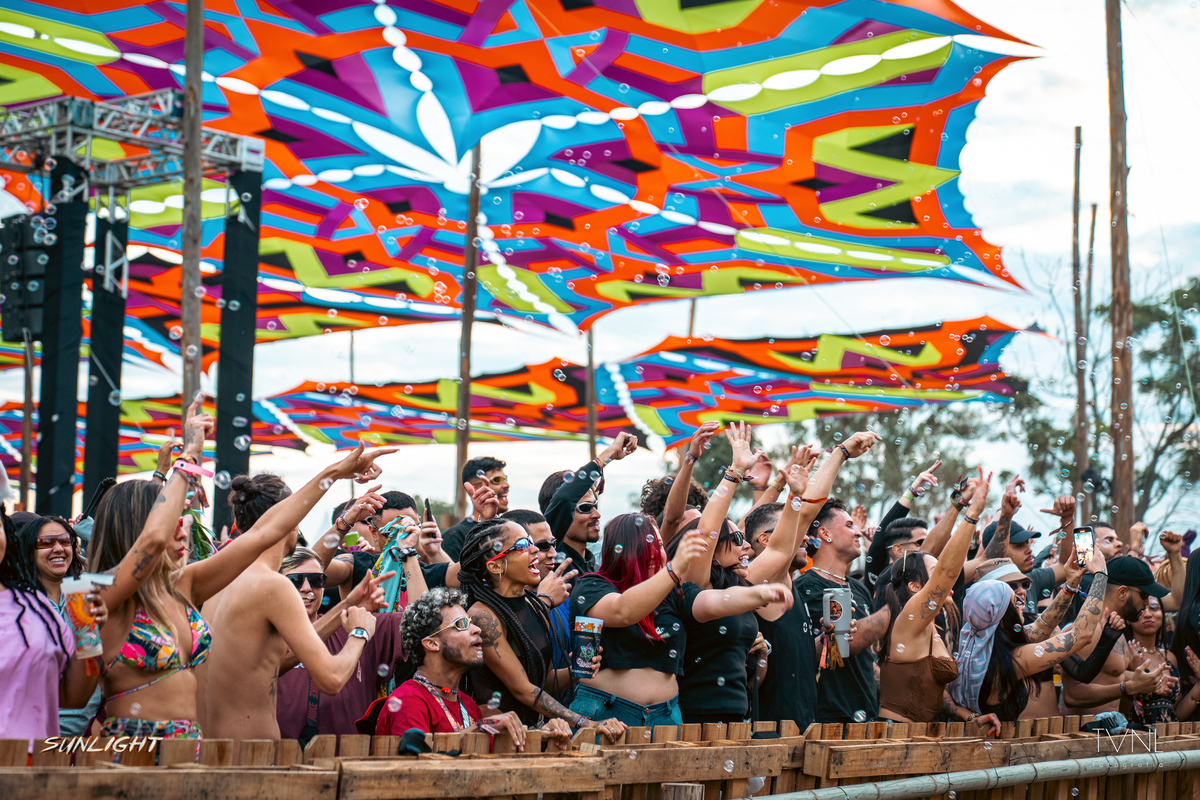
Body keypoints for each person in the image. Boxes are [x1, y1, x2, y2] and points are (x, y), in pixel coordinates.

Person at [197, 445, 401, 747]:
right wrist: (359, 632)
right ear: (291, 522)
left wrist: (345, 606)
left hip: (209, 753)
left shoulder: (220, 581)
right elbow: (332, 679)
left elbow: (274, 662)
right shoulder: (272, 585)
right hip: (250, 760)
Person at [458, 518, 625, 738]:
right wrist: (585, 722)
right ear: (496, 565)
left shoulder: (535, 607)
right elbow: (523, 690)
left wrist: (577, 671)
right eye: (522, 546)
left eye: (530, 541)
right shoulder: (483, 616)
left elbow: (543, 683)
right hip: (497, 737)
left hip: (534, 733)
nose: (535, 549)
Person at [374, 588, 572, 750]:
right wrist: (481, 727)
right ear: (432, 643)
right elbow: (415, 764)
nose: (476, 629)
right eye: (461, 624)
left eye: (470, 622)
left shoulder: (467, 705)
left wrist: (542, 737)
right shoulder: (409, 700)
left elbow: (495, 757)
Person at [877, 469, 989, 727]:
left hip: (925, 736)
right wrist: (972, 514)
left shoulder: (930, 625)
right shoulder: (908, 617)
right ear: (915, 586)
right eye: (933, 572)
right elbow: (948, 573)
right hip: (894, 736)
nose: (945, 581)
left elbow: (934, 691)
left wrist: (970, 717)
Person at [949, 547, 1108, 722]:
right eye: (1015, 602)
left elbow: (1042, 626)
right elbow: (1082, 634)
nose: (1022, 604)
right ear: (1001, 617)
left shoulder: (978, 643)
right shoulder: (1011, 660)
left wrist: (1070, 586)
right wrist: (1100, 575)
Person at [795, 433, 888, 724]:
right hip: (828, 721)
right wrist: (894, 611)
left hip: (867, 719)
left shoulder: (858, 589)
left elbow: (866, 658)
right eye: (849, 525)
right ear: (824, 533)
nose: (858, 531)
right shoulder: (805, 587)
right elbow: (831, 649)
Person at [275, 547, 405, 744]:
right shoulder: (265, 636)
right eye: (295, 580)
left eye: (316, 580)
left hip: (348, 757)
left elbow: (422, 622)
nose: (307, 588)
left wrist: (410, 557)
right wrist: (358, 631)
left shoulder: (356, 621)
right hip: (275, 756)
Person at [0, 506, 106, 740]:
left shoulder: (83, 597)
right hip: (27, 739)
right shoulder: (21, 605)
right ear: (28, 551)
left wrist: (91, 632)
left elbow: (82, 688)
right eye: (46, 543)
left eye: (65, 541)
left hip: (85, 738)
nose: (58, 548)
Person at [1062, 556, 1176, 716]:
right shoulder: (1087, 630)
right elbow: (1072, 695)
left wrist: (1148, 679)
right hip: (1082, 729)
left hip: (1108, 729)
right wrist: (1129, 687)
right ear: (1122, 592)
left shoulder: (1116, 630)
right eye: (1144, 595)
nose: (1146, 604)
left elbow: (1110, 676)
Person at [542, 432, 640, 575]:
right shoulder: (552, 557)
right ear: (562, 512)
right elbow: (564, 498)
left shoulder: (596, 567)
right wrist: (609, 453)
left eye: (595, 506)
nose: (597, 514)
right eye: (586, 508)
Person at [1124, 595, 1180, 725]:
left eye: (1154, 608)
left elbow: (1175, 712)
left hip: (1171, 734)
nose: (1148, 614)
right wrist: (1134, 674)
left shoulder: (1170, 657)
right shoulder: (1124, 654)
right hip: (1136, 733)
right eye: (1141, 609)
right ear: (1128, 619)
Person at [443, 458, 510, 561]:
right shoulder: (455, 536)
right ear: (476, 488)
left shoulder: (511, 529)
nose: (506, 485)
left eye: (505, 479)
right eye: (497, 480)